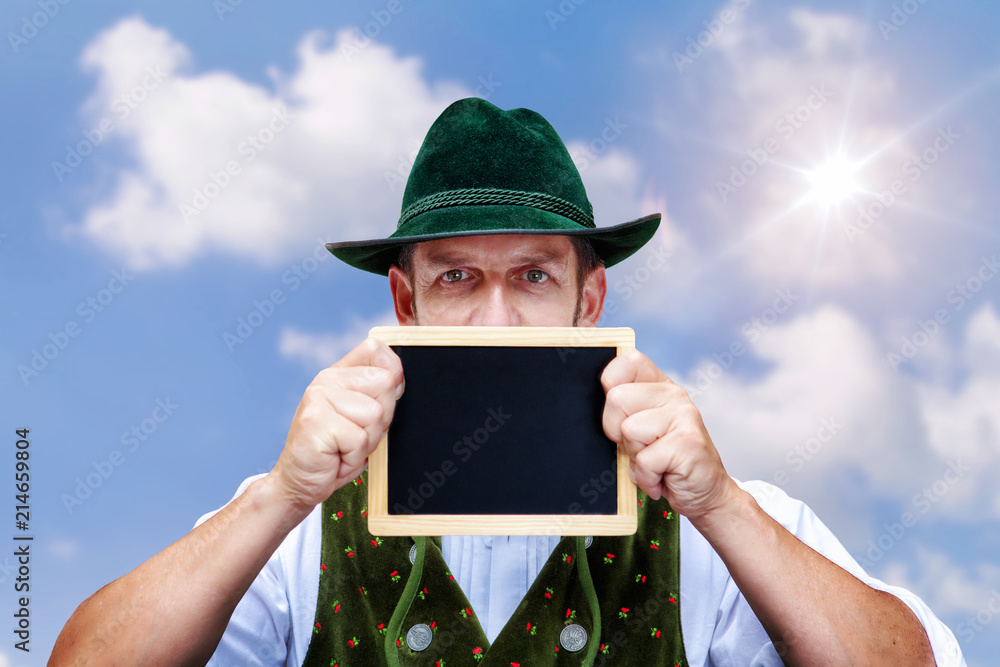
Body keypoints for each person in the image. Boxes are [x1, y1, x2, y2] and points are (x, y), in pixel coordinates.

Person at [50, 98, 965, 666]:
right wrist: (281, 498)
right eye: (458, 277)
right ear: (405, 302)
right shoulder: (293, 522)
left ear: (588, 297)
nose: (496, 319)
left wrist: (720, 503)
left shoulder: (724, 519)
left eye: (532, 275)